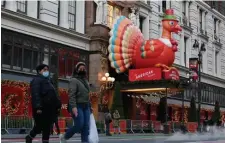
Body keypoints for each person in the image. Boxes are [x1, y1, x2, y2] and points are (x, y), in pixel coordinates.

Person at [25, 64, 61, 143]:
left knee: (47, 127)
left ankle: (44, 141)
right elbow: (36, 94)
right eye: (44, 70)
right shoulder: (36, 80)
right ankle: (29, 137)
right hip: (41, 108)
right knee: (39, 127)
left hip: (49, 108)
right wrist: (38, 107)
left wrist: (58, 105)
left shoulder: (49, 81)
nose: (46, 71)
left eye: (47, 70)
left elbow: (54, 95)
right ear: (39, 71)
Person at [60, 62, 91, 143]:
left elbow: (87, 94)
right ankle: (65, 137)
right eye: (80, 68)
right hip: (77, 106)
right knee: (79, 125)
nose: (82, 70)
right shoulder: (73, 80)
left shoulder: (85, 80)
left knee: (85, 126)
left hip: (86, 106)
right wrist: (73, 107)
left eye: (84, 69)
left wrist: (90, 107)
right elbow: (71, 94)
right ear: (76, 70)